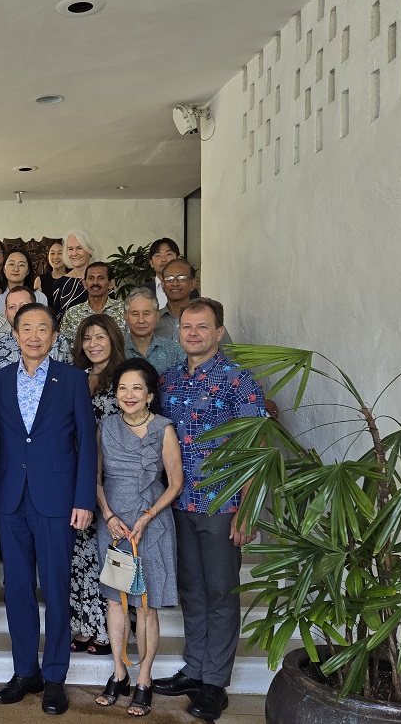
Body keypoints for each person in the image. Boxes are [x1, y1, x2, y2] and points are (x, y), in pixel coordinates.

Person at [153, 298, 266, 721]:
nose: (194, 333)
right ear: (178, 332)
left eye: (203, 327)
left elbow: (256, 449)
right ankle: (196, 668)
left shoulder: (241, 382)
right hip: (178, 502)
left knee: (220, 593)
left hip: (223, 503)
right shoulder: (167, 382)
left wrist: (249, 507)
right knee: (191, 590)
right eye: (187, 327)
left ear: (219, 332)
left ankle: (215, 683)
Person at [0, 303, 97, 716]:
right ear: (15, 334)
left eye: (43, 329)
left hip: (57, 500)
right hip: (11, 499)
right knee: (16, 589)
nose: (34, 336)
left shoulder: (72, 379)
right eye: (26, 328)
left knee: (54, 589)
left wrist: (84, 498)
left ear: (54, 336)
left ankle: (54, 677)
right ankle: (25, 672)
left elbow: (87, 442)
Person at [94, 358, 184, 717]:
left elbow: (175, 483)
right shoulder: (105, 426)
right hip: (114, 525)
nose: (128, 395)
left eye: (136, 388)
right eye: (122, 388)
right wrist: (108, 515)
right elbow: (95, 478)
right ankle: (119, 674)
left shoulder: (164, 428)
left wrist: (147, 516)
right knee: (116, 601)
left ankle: (143, 678)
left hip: (153, 524)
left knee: (145, 606)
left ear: (149, 395)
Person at [68, 314, 126, 657]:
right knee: (81, 556)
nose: (92, 343)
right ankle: (85, 625)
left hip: (115, 478)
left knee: (111, 555)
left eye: (100, 337)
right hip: (78, 474)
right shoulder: (73, 378)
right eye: (87, 337)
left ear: (113, 339)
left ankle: (110, 630)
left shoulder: (125, 378)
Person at [0, 286, 72, 371]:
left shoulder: (61, 343)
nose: (18, 311)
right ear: (6, 314)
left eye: (24, 305)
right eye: (12, 307)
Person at [154, 259, 233, 346]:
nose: (175, 283)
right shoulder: (153, 321)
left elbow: (229, 354)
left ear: (192, 283)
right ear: (162, 285)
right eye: (169, 279)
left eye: (181, 278)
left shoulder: (207, 317)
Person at [122, 288, 186, 375]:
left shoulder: (174, 351)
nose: (141, 320)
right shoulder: (116, 349)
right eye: (135, 314)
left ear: (157, 316)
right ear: (125, 316)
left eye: (146, 313)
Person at [59, 262, 126, 339]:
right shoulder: (72, 313)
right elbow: (64, 348)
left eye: (101, 278)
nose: (95, 282)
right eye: (91, 278)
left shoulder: (124, 310)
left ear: (111, 283)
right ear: (84, 284)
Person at [50, 229, 99, 321]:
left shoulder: (102, 280)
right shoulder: (60, 284)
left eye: (80, 248)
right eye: (70, 249)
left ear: (90, 250)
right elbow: (56, 319)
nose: (74, 253)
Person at [139, 238, 197, 309]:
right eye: (158, 255)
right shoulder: (140, 291)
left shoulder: (190, 290)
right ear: (151, 262)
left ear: (178, 258)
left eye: (168, 254)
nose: (163, 259)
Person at [0, 248, 48, 313]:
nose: (16, 269)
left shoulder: (39, 297)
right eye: (11, 264)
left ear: (28, 271)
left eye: (21, 265)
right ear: (4, 269)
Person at [34, 241, 67, 311]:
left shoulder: (72, 279)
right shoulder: (40, 280)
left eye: (60, 253)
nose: (55, 257)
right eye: (52, 253)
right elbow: (37, 306)